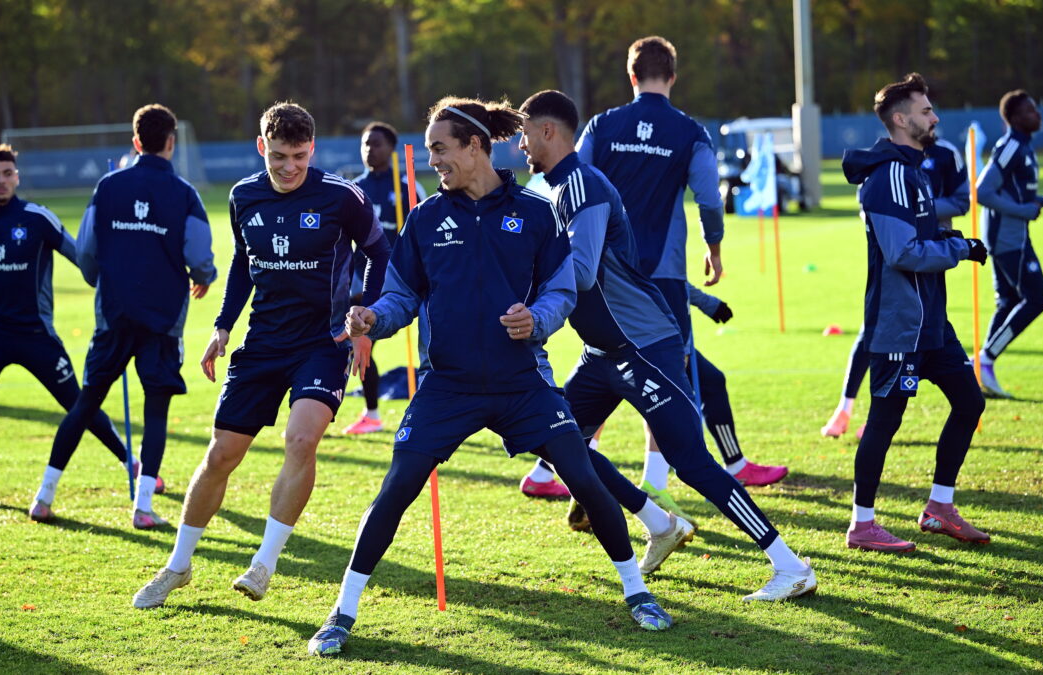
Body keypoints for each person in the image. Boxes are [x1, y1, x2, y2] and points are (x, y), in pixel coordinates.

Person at [307, 97, 675, 658]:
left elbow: (560, 288)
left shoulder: (533, 211)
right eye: (430, 150)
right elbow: (403, 295)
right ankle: (342, 612)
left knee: (582, 473)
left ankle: (637, 591)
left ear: (474, 145)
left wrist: (538, 320)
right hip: (447, 386)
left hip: (522, 382)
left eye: (440, 148)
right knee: (393, 492)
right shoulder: (427, 217)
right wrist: (374, 318)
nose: (433, 160)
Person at [518, 88, 816, 597]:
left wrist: (529, 297)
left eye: (524, 135)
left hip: (644, 344)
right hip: (601, 351)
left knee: (693, 461)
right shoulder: (549, 188)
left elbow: (584, 274)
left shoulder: (583, 186)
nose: (520, 147)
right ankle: (658, 522)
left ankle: (789, 566)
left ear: (549, 131)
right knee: (559, 442)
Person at [133, 102, 390, 608]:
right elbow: (241, 264)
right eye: (278, 156)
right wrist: (222, 328)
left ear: (311, 149)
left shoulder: (342, 196)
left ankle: (263, 565)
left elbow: (379, 252)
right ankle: (177, 566)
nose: (288, 166)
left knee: (301, 439)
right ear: (261, 148)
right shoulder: (243, 196)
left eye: (297, 156)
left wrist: (365, 320)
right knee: (221, 455)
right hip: (262, 343)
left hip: (324, 341)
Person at [558, 35, 787, 504]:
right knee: (665, 376)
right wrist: (714, 248)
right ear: (674, 77)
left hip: (601, 276)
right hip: (660, 277)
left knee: (604, 365)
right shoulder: (690, 132)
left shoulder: (603, 124)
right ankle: (655, 486)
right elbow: (708, 197)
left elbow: (571, 180)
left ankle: (561, 466)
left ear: (631, 75)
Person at [32, 105, 216, 528]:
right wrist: (204, 276)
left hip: (113, 317)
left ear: (135, 142)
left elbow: (86, 251)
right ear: (172, 142)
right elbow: (200, 257)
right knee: (156, 412)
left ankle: (43, 496)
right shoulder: (186, 193)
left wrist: (101, 280)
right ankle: (144, 508)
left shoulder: (107, 186)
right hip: (162, 320)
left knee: (85, 404)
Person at [841, 73, 989, 553]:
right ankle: (863, 524)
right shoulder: (889, 176)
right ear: (901, 119)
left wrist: (952, 241)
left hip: (931, 323)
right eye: (926, 111)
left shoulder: (915, 169)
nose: (935, 117)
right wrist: (959, 251)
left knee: (970, 402)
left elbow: (924, 236)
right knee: (885, 420)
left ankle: (938, 507)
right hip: (898, 326)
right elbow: (902, 252)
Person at [0, 144, 135, 507]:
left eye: (7, 173)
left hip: (35, 335)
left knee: (79, 405)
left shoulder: (37, 218)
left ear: (17, 176)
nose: (1, 181)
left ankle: (131, 463)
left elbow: (83, 260)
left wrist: (115, 275)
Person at [822, 135, 972, 438]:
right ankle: (846, 407)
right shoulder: (888, 157)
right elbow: (871, 196)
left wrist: (921, 208)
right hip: (896, 255)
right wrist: (898, 212)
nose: (932, 117)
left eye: (931, 107)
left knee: (925, 341)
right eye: (924, 109)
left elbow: (961, 201)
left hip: (932, 259)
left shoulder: (945, 153)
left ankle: (877, 419)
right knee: (872, 331)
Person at [343, 121, 426, 435]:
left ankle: (413, 414)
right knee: (356, 344)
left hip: (402, 279)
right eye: (365, 144)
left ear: (392, 149)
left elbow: (422, 232)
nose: (369, 150)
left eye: (376, 144)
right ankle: (372, 413)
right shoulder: (355, 188)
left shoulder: (407, 186)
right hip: (363, 278)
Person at [976, 90, 1043, 398]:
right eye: (1031, 110)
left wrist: (1042, 202)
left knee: (1007, 302)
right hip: (1007, 237)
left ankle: (982, 372)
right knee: (1037, 299)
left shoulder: (1025, 147)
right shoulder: (1011, 147)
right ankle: (984, 359)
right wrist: (1024, 211)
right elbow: (982, 191)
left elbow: (1018, 194)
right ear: (1016, 118)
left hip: (1013, 234)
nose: (1038, 114)